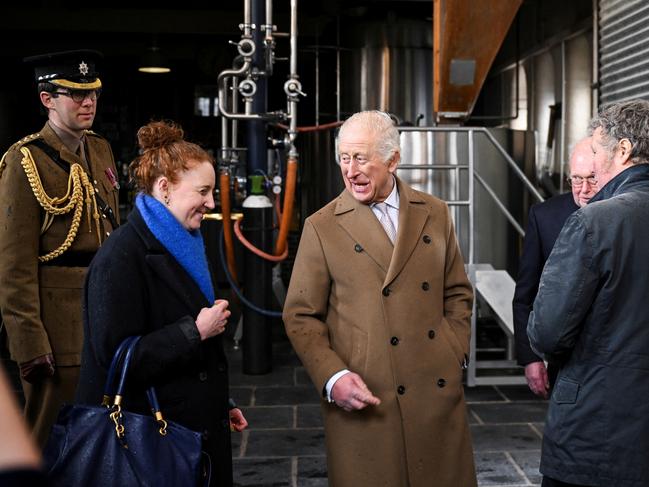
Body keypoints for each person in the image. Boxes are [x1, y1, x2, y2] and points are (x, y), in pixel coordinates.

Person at [283, 110, 476, 486]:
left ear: (392, 160)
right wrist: (332, 376)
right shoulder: (322, 226)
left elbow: (457, 291)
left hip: (433, 390)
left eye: (361, 158)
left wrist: (452, 349)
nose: (350, 170)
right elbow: (300, 316)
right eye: (344, 158)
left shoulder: (434, 213)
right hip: (367, 394)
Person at [75, 120, 247, 487]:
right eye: (203, 191)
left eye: (212, 192)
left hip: (187, 431)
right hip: (150, 445)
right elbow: (116, 360)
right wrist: (195, 331)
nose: (211, 203)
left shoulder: (185, 241)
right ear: (165, 188)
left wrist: (219, 403)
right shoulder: (121, 256)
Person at [0, 49, 120, 447]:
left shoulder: (99, 148)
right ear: (46, 98)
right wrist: (29, 343)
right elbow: (13, 265)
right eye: (75, 94)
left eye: (93, 94)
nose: (88, 103)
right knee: (52, 436)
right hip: (58, 323)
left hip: (106, 311)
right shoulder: (26, 161)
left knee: (102, 435)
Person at [528, 99, 649, 487]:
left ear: (624, 149)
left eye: (596, 150)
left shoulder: (596, 221)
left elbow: (547, 332)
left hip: (597, 430)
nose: (592, 165)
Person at [513, 137, 597, 398]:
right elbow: (525, 295)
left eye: (592, 178)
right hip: (565, 359)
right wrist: (530, 357)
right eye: (576, 178)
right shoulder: (544, 215)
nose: (584, 189)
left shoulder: (628, 214)